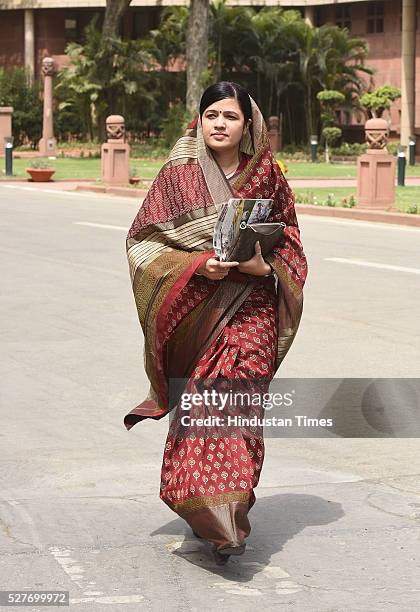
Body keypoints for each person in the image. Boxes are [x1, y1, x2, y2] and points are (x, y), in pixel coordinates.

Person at [124, 81, 308, 565]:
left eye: (230, 116)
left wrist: (261, 269)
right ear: (199, 121)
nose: (220, 124)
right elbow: (144, 243)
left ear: (249, 124)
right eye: (211, 115)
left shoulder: (268, 176)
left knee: (240, 411)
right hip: (199, 312)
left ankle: (230, 516)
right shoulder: (177, 176)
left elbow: (290, 241)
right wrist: (197, 266)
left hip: (252, 309)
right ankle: (208, 513)